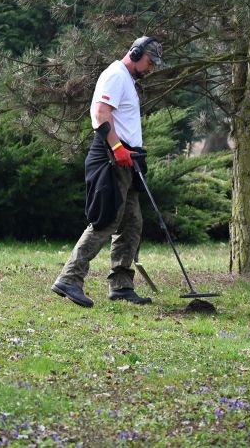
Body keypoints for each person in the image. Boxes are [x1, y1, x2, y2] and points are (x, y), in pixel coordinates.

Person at [52, 36, 163, 307]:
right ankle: (69, 278)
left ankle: (122, 285)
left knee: (132, 222)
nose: (151, 68)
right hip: (111, 157)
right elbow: (101, 114)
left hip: (127, 159)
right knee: (106, 220)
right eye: (149, 62)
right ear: (135, 53)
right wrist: (117, 147)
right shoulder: (115, 75)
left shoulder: (128, 80)